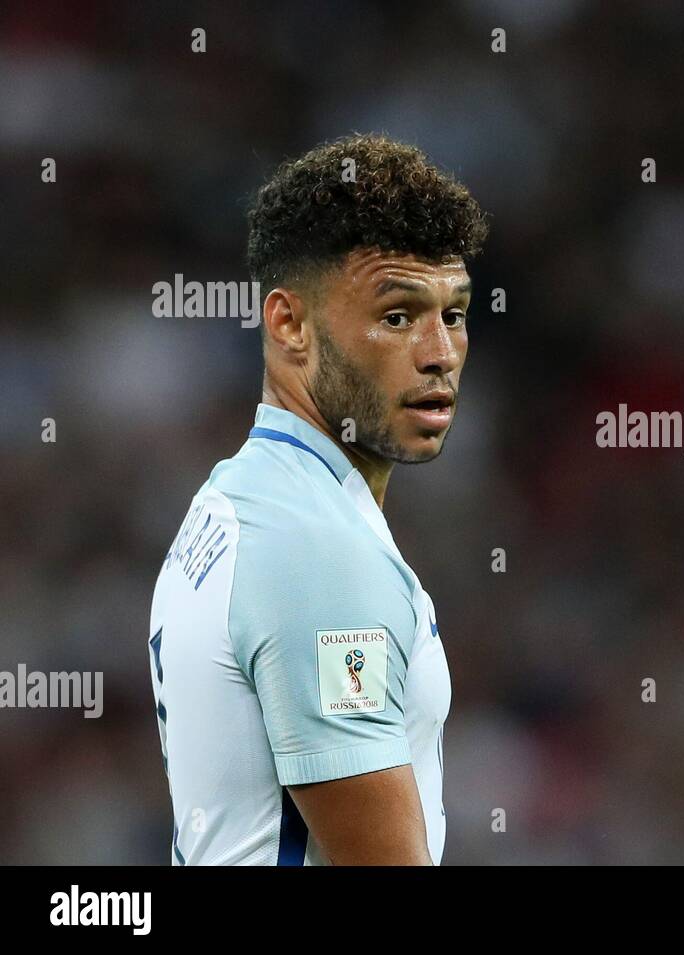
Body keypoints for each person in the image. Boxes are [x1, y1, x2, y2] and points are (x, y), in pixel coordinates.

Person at [147, 133, 489, 864]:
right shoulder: (315, 551)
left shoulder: (237, 498)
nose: (439, 352)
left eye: (453, 313)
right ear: (288, 324)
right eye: (397, 315)